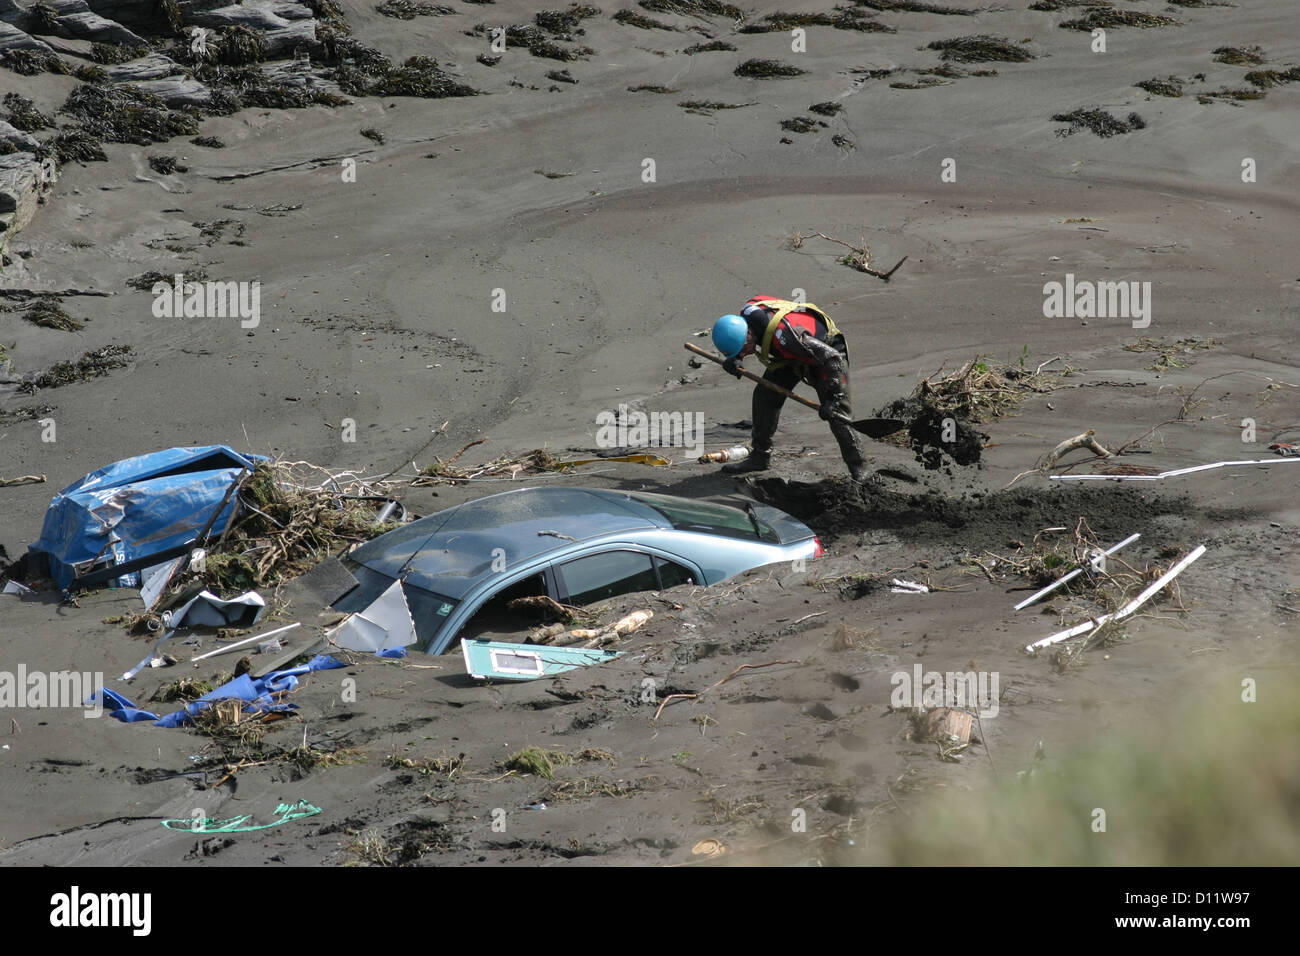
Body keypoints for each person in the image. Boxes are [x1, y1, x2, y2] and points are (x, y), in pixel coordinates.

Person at [711, 294, 867, 482]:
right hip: (790, 354)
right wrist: (735, 359)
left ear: (749, 334)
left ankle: (860, 471)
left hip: (825, 354)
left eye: (744, 349)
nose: (745, 353)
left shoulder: (787, 337)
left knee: (838, 416)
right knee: (765, 396)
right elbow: (742, 339)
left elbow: (833, 359)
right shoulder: (745, 316)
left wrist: (834, 397)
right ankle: (760, 456)